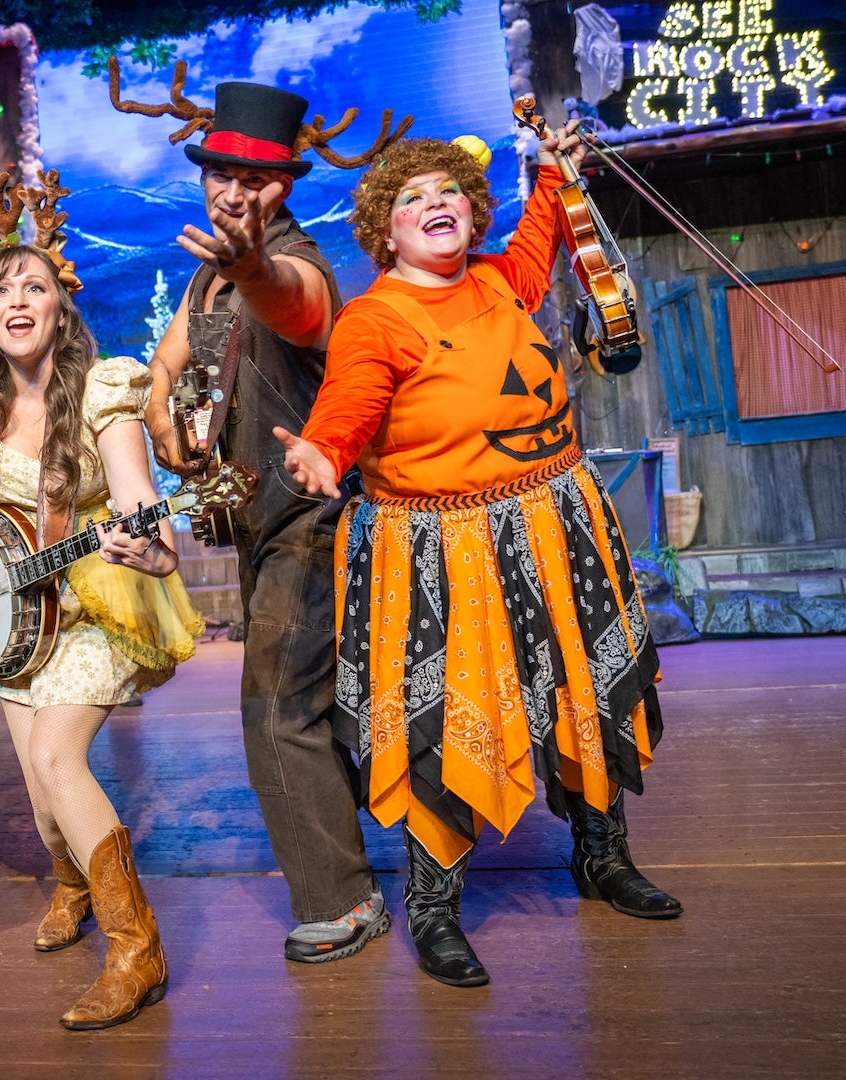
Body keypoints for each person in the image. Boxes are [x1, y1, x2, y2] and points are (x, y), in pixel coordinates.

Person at [275, 125, 682, 988]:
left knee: (590, 692)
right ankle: (434, 907)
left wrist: (552, 168)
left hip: (554, 521)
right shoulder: (376, 319)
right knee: (443, 723)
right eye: (413, 198)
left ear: (472, 210)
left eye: (449, 193)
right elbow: (346, 406)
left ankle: (602, 857)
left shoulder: (502, 279)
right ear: (385, 230)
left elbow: (545, 230)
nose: (435, 206)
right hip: (441, 548)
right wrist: (323, 452)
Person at [132, 79, 402, 963]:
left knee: (276, 704)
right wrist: (164, 418)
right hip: (253, 520)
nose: (232, 191)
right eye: (220, 174)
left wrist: (252, 265)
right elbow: (165, 365)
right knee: (316, 703)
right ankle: (420, 830)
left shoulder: (295, 264)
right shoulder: (209, 275)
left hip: (312, 520)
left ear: (282, 187)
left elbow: (297, 304)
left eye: (253, 180)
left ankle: (346, 899)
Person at [0, 223, 204, 1028]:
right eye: (1, 288)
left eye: (33, 287)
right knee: (44, 800)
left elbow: (139, 498)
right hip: (13, 618)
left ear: (59, 311)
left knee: (54, 754)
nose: (17, 299)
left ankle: (135, 947)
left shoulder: (104, 392)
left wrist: (149, 542)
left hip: (95, 601)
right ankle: (73, 883)